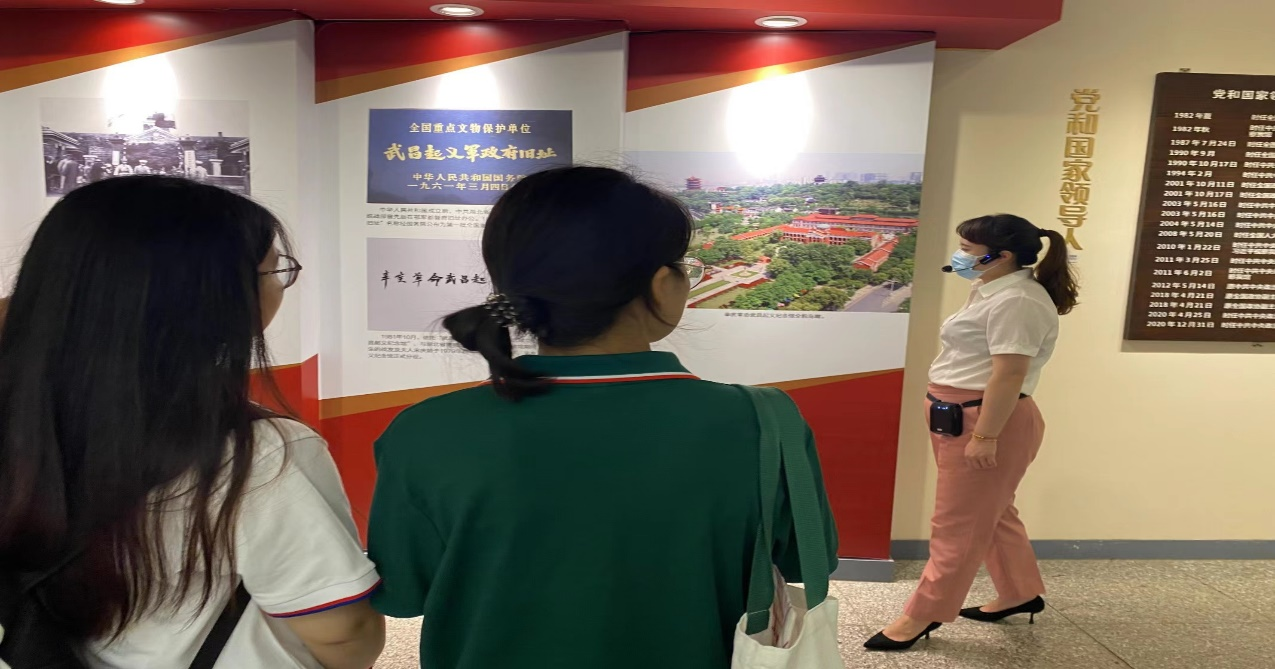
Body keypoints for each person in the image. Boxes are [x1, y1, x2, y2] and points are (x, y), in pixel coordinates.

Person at [367, 166, 839, 669]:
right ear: (662, 284)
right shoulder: (764, 422)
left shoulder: (423, 432)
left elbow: (404, 595)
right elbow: (806, 561)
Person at [0, 176, 385, 669]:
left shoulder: (19, 421)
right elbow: (344, 632)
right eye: (274, 270)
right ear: (214, 298)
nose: (280, 285)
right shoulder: (260, 454)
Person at [866, 213, 1079, 651]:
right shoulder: (990, 288)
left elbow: (1010, 373)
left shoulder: (1018, 300)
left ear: (1001, 256)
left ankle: (922, 614)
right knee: (992, 511)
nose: (959, 255)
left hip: (984, 420)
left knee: (957, 523)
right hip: (958, 414)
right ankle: (1019, 591)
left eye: (967, 249)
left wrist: (985, 436)